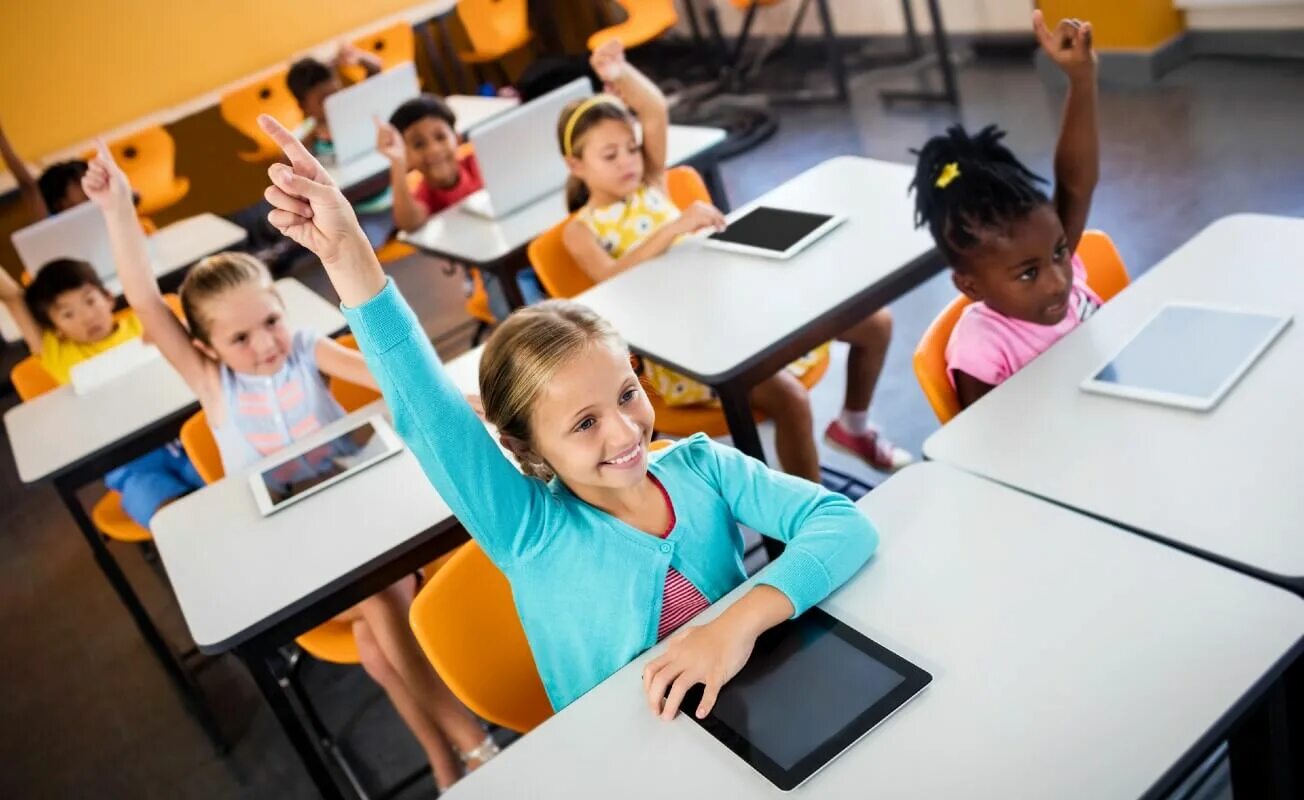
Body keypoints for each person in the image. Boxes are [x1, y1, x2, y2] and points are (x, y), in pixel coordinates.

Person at [255, 112, 878, 719]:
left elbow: (841, 524)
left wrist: (734, 628)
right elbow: (425, 405)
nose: (624, 429)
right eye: (583, 424)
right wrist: (352, 262)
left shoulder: (702, 465)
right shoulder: (527, 530)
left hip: (752, 713)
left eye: (627, 393)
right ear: (528, 446)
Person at [81, 142, 494, 790]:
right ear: (205, 348)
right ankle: (471, 742)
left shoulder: (305, 349)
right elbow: (145, 304)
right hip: (291, 558)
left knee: (376, 643)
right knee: (380, 612)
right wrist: (116, 211)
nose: (265, 344)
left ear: (284, 310)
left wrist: (474, 401)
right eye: (240, 339)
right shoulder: (215, 386)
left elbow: (397, 381)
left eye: (270, 322)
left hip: (366, 534)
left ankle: (452, 760)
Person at [558, 41, 910, 478]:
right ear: (575, 164)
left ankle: (854, 427)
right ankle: (816, 522)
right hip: (687, 349)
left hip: (736, 312)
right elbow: (610, 281)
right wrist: (672, 229)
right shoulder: (579, 229)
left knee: (876, 323)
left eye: (631, 148)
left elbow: (653, 110)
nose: (628, 160)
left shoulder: (649, 182)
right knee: (792, 402)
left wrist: (620, 71)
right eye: (610, 155)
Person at [912, 10, 1100, 411]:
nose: (1057, 281)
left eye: (1060, 252)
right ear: (971, 286)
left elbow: (1074, 184)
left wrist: (1082, 81)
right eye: (1028, 273)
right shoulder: (982, 349)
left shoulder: (1046, 260)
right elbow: (985, 452)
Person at [0, 261, 203, 526]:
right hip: (131, 464)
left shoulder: (143, 324)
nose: (86, 317)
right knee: (167, 515)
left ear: (108, 297)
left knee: (221, 479)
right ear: (55, 327)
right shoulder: (57, 353)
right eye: (67, 314)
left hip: (185, 437)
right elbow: (13, 297)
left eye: (90, 301)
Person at [376, 95, 545, 320]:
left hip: (528, 242)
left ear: (456, 138)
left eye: (440, 137)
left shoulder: (480, 160)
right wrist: (396, 163)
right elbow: (408, 222)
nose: (434, 149)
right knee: (520, 306)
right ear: (406, 154)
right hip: (491, 272)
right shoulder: (424, 195)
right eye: (418, 144)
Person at [286, 43, 383, 159]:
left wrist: (357, 57)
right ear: (303, 107)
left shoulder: (352, 107)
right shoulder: (304, 134)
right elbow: (286, 162)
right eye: (323, 100)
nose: (333, 102)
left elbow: (375, 69)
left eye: (335, 93)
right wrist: (315, 134)